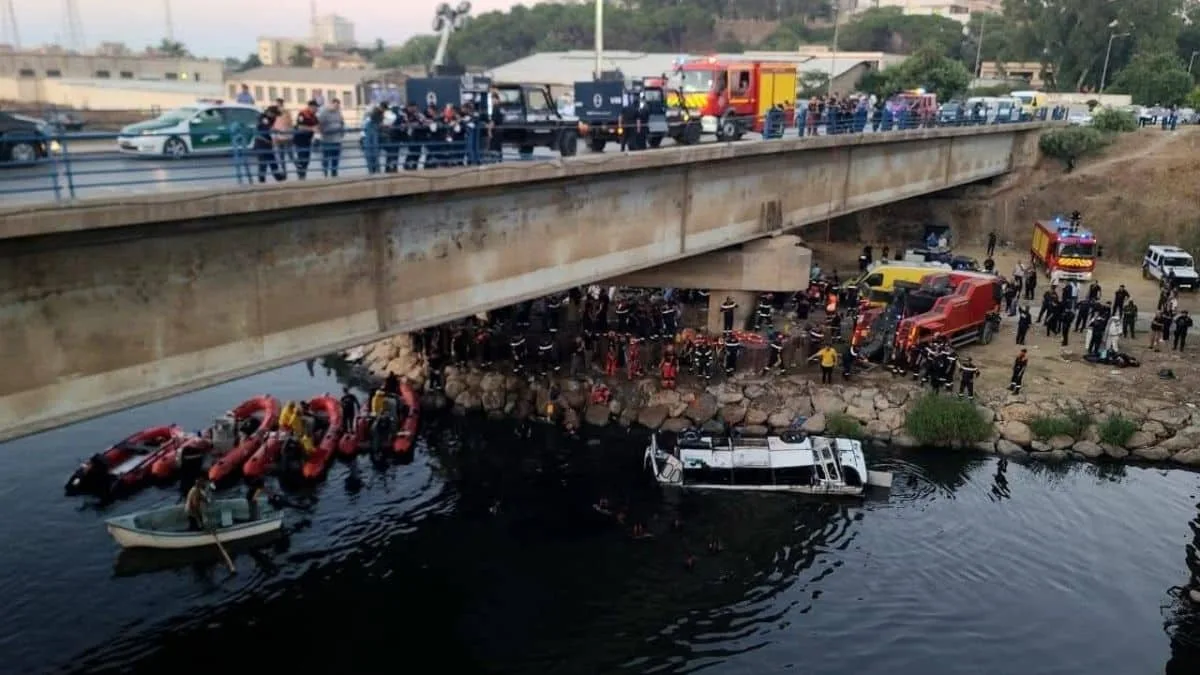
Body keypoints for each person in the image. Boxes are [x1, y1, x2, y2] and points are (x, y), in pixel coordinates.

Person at [317, 98, 345, 177]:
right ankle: (325, 174)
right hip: (327, 140)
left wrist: (342, 131)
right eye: (335, 105)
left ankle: (334, 173)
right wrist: (327, 130)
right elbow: (320, 125)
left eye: (338, 106)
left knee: (335, 158)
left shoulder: (338, 113)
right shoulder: (324, 113)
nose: (337, 107)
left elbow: (341, 122)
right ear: (331, 104)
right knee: (326, 158)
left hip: (337, 140)